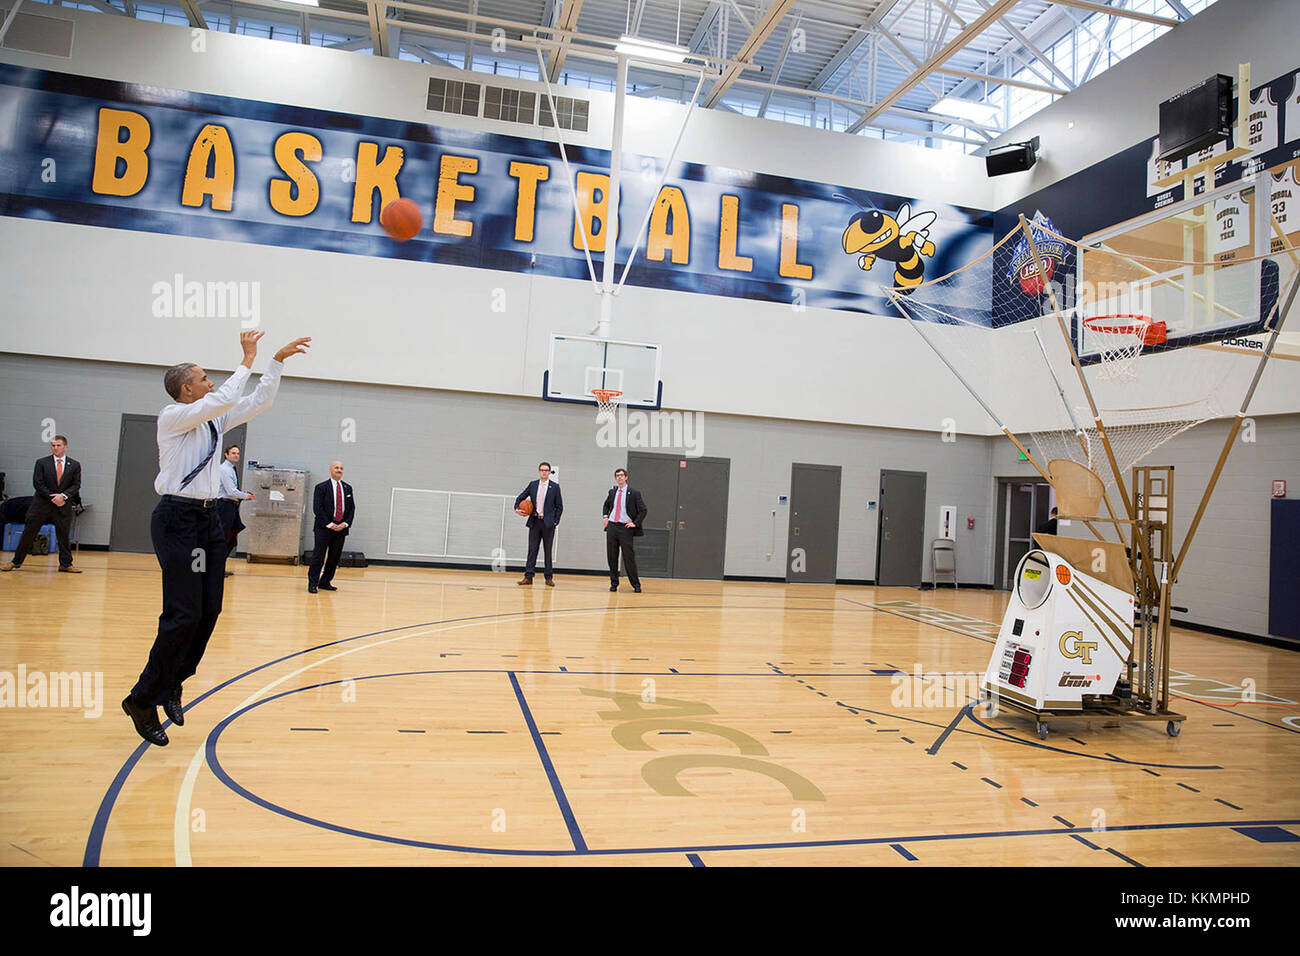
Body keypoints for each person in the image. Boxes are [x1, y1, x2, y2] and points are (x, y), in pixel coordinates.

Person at [121, 331, 310, 747]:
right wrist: (247, 358)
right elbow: (223, 398)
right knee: (182, 613)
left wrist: (274, 362)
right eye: (204, 378)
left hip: (207, 526)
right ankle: (142, 698)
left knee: (209, 609)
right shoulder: (171, 416)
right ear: (186, 389)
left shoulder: (213, 417)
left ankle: (174, 681)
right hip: (178, 522)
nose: (210, 382)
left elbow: (257, 402)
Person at [1, 435, 83, 574]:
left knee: (63, 535)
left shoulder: (74, 465)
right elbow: (38, 483)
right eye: (53, 446)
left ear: (65, 447)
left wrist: (63, 496)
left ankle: (65, 564)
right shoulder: (42, 463)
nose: (55, 448)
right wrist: (53, 497)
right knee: (29, 533)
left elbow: (76, 485)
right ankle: (16, 562)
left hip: (62, 505)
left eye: (58, 445)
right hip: (41, 504)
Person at [514, 462, 563, 586]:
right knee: (532, 550)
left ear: (549, 472)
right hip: (535, 522)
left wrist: (555, 521)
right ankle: (528, 577)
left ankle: (548, 577)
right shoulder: (533, 485)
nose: (544, 472)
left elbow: (560, 506)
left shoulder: (555, 487)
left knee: (548, 551)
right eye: (542, 470)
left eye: (546, 470)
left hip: (548, 524)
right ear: (539, 472)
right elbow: (520, 498)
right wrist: (517, 508)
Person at [309, 461, 354, 593]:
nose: (339, 470)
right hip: (324, 528)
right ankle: (313, 583)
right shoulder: (321, 487)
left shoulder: (347, 488)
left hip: (341, 530)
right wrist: (329, 524)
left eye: (341, 468)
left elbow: (352, 509)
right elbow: (318, 508)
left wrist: (345, 524)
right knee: (318, 556)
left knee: (334, 557)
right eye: (336, 468)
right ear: (330, 469)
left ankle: (325, 582)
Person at [603, 467, 647, 592]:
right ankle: (614, 583)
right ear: (615, 478)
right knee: (612, 557)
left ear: (626, 477)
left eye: (622, 475)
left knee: (628, 557)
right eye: (617, 475)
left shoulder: (634, 493)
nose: (620, 477)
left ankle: (636, 585)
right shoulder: (612, 492)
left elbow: (643, 510)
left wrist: (635, 523)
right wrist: (605, 516)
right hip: (612, 526)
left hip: (625, 529)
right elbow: (606, 505)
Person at [217, 444, 255, 577]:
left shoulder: (231, 469)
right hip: (224, 506)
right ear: (226, 455)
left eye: (238, 453)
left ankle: (220, 566)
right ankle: (216, 568)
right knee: (223, 537)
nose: (236, 455)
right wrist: (246, 496)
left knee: (231, 538)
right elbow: (230, 491)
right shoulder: (224, 470)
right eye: (233, 453)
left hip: (232, 506)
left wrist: (243, 495)